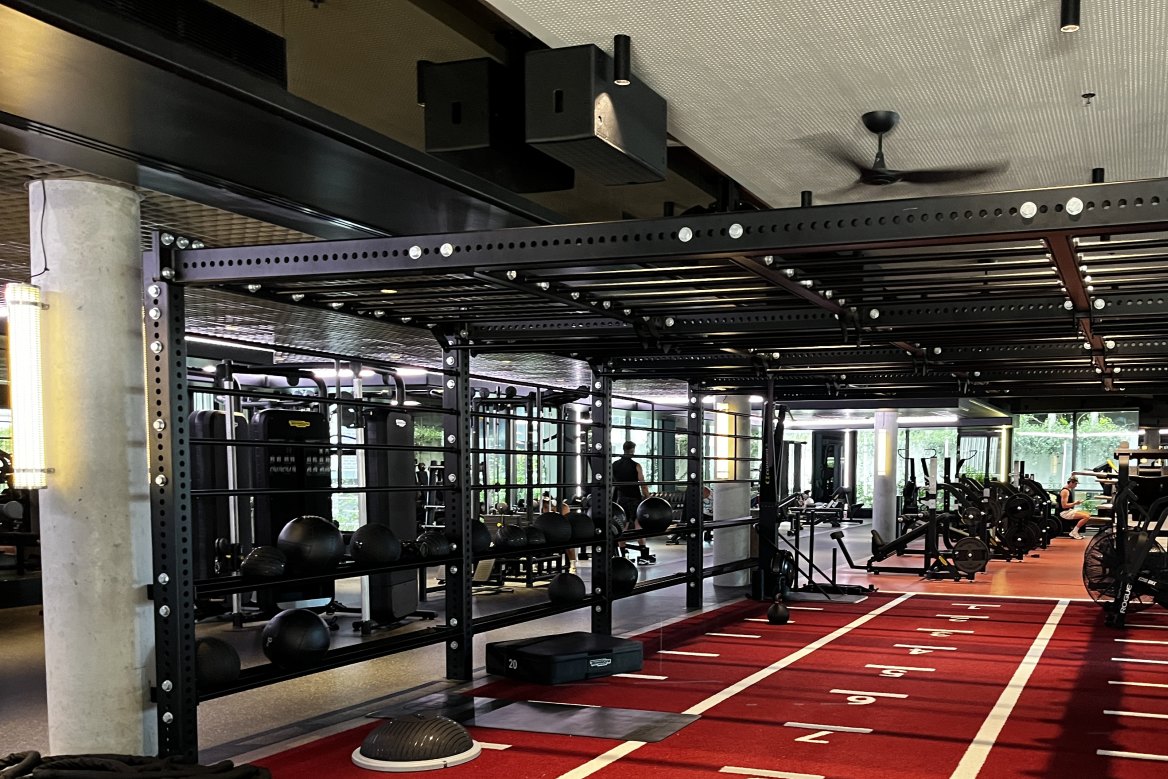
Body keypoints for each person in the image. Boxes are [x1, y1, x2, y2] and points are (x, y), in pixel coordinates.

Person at [613, 441, 651, 560]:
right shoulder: (636, 465)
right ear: (633, 450)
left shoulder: (614, 465)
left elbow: (612, 482)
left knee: (622, 525)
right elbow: (643, 484)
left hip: (621, 498)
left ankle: (623, 553)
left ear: (624, 449)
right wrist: (648, 498)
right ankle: (644, 554)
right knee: (638, 524)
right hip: (634, 498)